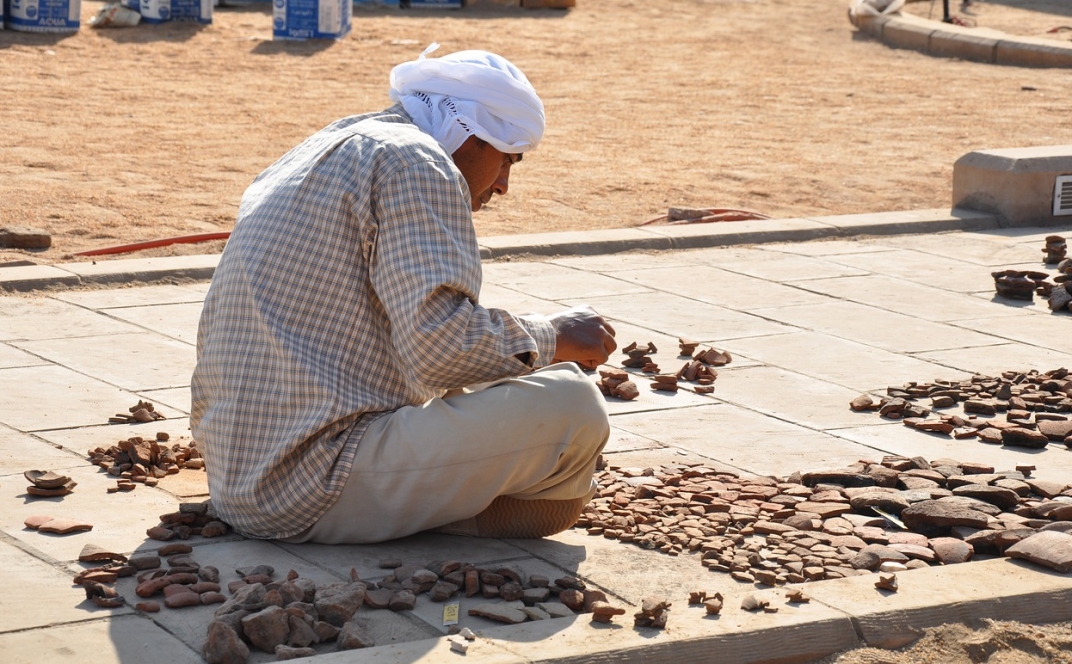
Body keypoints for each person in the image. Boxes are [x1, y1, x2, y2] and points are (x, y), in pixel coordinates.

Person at [190, 44, 617, 545]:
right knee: (573, 404)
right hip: (307, 483)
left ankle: (428, 504)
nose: (503, 185)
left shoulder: (336, 140)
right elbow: (442, 350)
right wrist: (554, 335)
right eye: (508, 159)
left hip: (240, 469)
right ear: (469, 133)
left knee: (509, 370)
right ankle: (454, 515)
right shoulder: (419, 162)